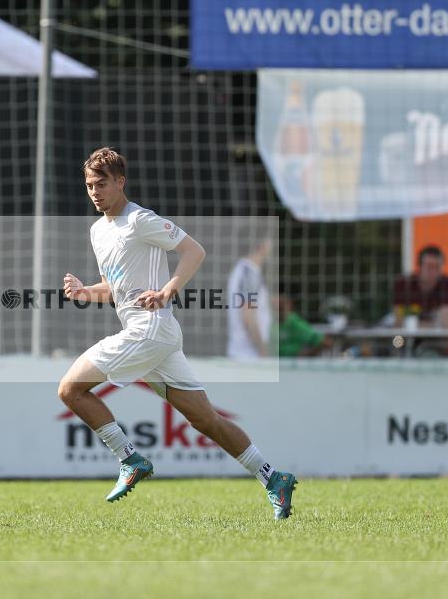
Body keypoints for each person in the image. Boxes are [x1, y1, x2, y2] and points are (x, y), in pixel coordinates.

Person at [59, 148, 297, 519]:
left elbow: (193, 251)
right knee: (206, 420)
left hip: (149, 329)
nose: (94, 191)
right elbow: (114, 287)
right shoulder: (97, 230)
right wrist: (85, 292)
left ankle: (129, 459)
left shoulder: (140, 220)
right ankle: (274, 478)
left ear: (120, 182)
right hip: (156, 335)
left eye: (102, 183)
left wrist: (169, 288)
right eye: (89, 185)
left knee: (70, 389)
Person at [226, 240, 273, 359]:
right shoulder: (249, 274)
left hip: (244, 354)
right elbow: (247, 316)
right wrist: (262, 350)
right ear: (262, 244)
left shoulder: (244, 271)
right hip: (248, 355)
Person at [392, 245, 448, 328]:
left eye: (437, 267)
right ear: (419, 267)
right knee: (396, 337)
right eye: (429, 267)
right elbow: (398, 317)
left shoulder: (447, 283)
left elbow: (447, 318)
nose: (433, 272)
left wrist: (414, 315)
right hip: (407, 332)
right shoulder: (404, 283)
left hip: (434, 334)